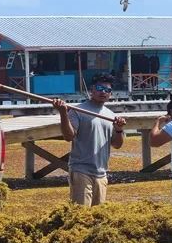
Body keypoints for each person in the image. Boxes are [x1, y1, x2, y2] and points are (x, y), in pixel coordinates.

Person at [52, 72, 127, 207]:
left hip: (101, 173)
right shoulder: (77, 110)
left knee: (98, 217)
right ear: (92, 89)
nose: (103, 92)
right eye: (99, 88)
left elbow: (117, 145)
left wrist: (119, 129)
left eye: (107, 90)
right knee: (80, 214)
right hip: (81, 170)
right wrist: (63, 113)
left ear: (111, 93)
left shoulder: (110, 115)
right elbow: (68, 136)